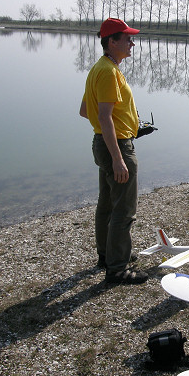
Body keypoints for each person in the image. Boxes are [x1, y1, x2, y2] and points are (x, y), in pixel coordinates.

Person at [79, 18, 149, 284]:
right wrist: (118, 156)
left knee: (107, 204)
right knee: (124, 209)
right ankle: (117, 269)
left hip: (105, 143)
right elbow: (104, 116)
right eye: (127, 38)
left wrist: (125, 126)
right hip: (116, 147)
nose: (132, 43)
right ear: (112, 41)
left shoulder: (101, 68)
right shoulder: (108, 72)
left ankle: (107, 255)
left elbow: (86, 111)